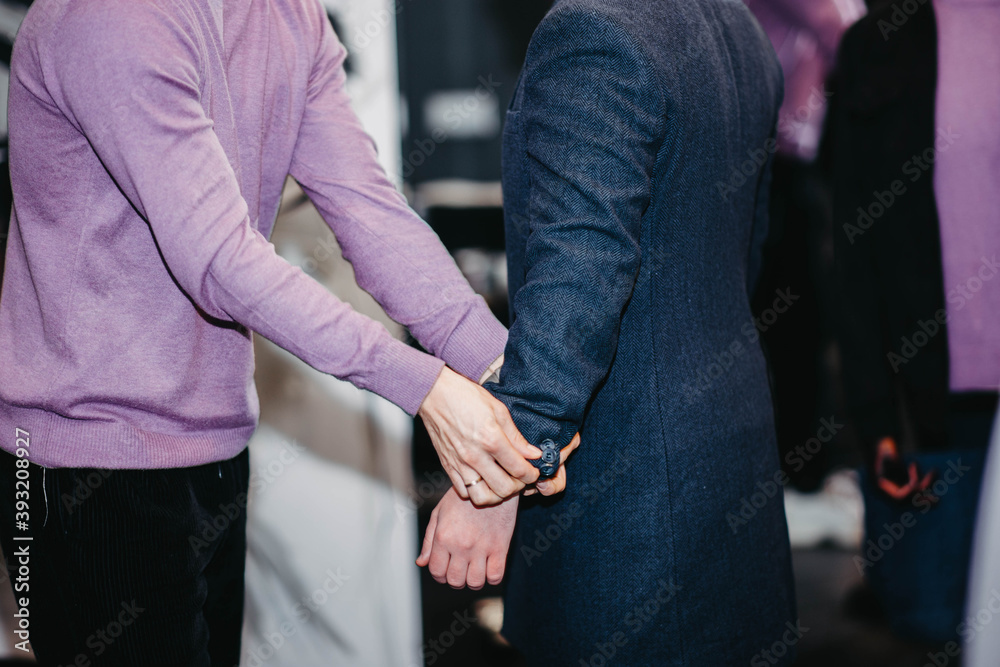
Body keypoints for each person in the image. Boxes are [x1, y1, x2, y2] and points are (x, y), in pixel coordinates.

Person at [0, 0, 572, 662]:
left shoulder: (286, 12)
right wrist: (428, 389)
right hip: (82, 460)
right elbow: (219, 258)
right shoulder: (114, 14)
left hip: (212, 441)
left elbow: (368, 209)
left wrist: (509, 377)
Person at [418, 0, 797, 663]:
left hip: (630, 494)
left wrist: (500, 470)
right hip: (731, 450)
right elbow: (748, 252)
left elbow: (580, 272)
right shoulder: (739, 25)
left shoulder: (590, 31)